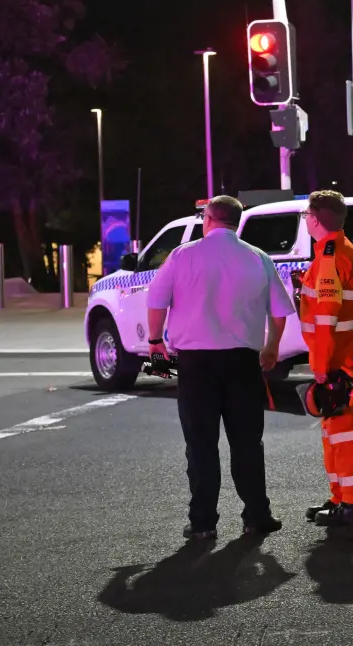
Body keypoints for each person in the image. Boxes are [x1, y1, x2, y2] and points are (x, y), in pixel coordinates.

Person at [146, 195, 295, 541]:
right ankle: (257, 515)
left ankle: (202, 522)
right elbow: (279, 311)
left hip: (195, 364)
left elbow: (156, 300)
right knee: (247, 442)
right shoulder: (257, 257)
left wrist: (155, 341)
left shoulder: (182, 255)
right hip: (243, 362)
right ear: (236, 222)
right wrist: (272, 346)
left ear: (208, 220)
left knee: (200, 443)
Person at [300, 190, 353, 528]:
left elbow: (326, 318)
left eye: (306, 215)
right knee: (334, 430)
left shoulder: (329, 257)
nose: (305, 220)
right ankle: (341, 498)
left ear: (315, 220)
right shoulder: (339, 249)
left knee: (343, 431)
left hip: (336, 356)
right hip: (345, 352)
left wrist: (321, 366)